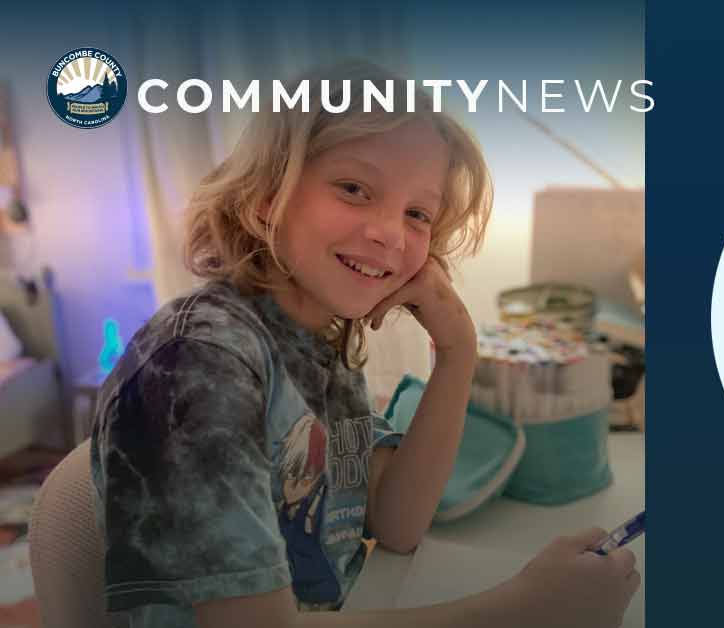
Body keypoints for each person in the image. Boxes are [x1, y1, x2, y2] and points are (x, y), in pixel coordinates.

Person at [89, 60, 639, 628]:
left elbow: (398, 521)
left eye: (417, 213)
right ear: (265, 196)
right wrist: (524, 609)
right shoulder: (199, 362)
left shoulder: (317, 343)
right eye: (354, 189)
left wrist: (458, 350)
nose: (391, 233)